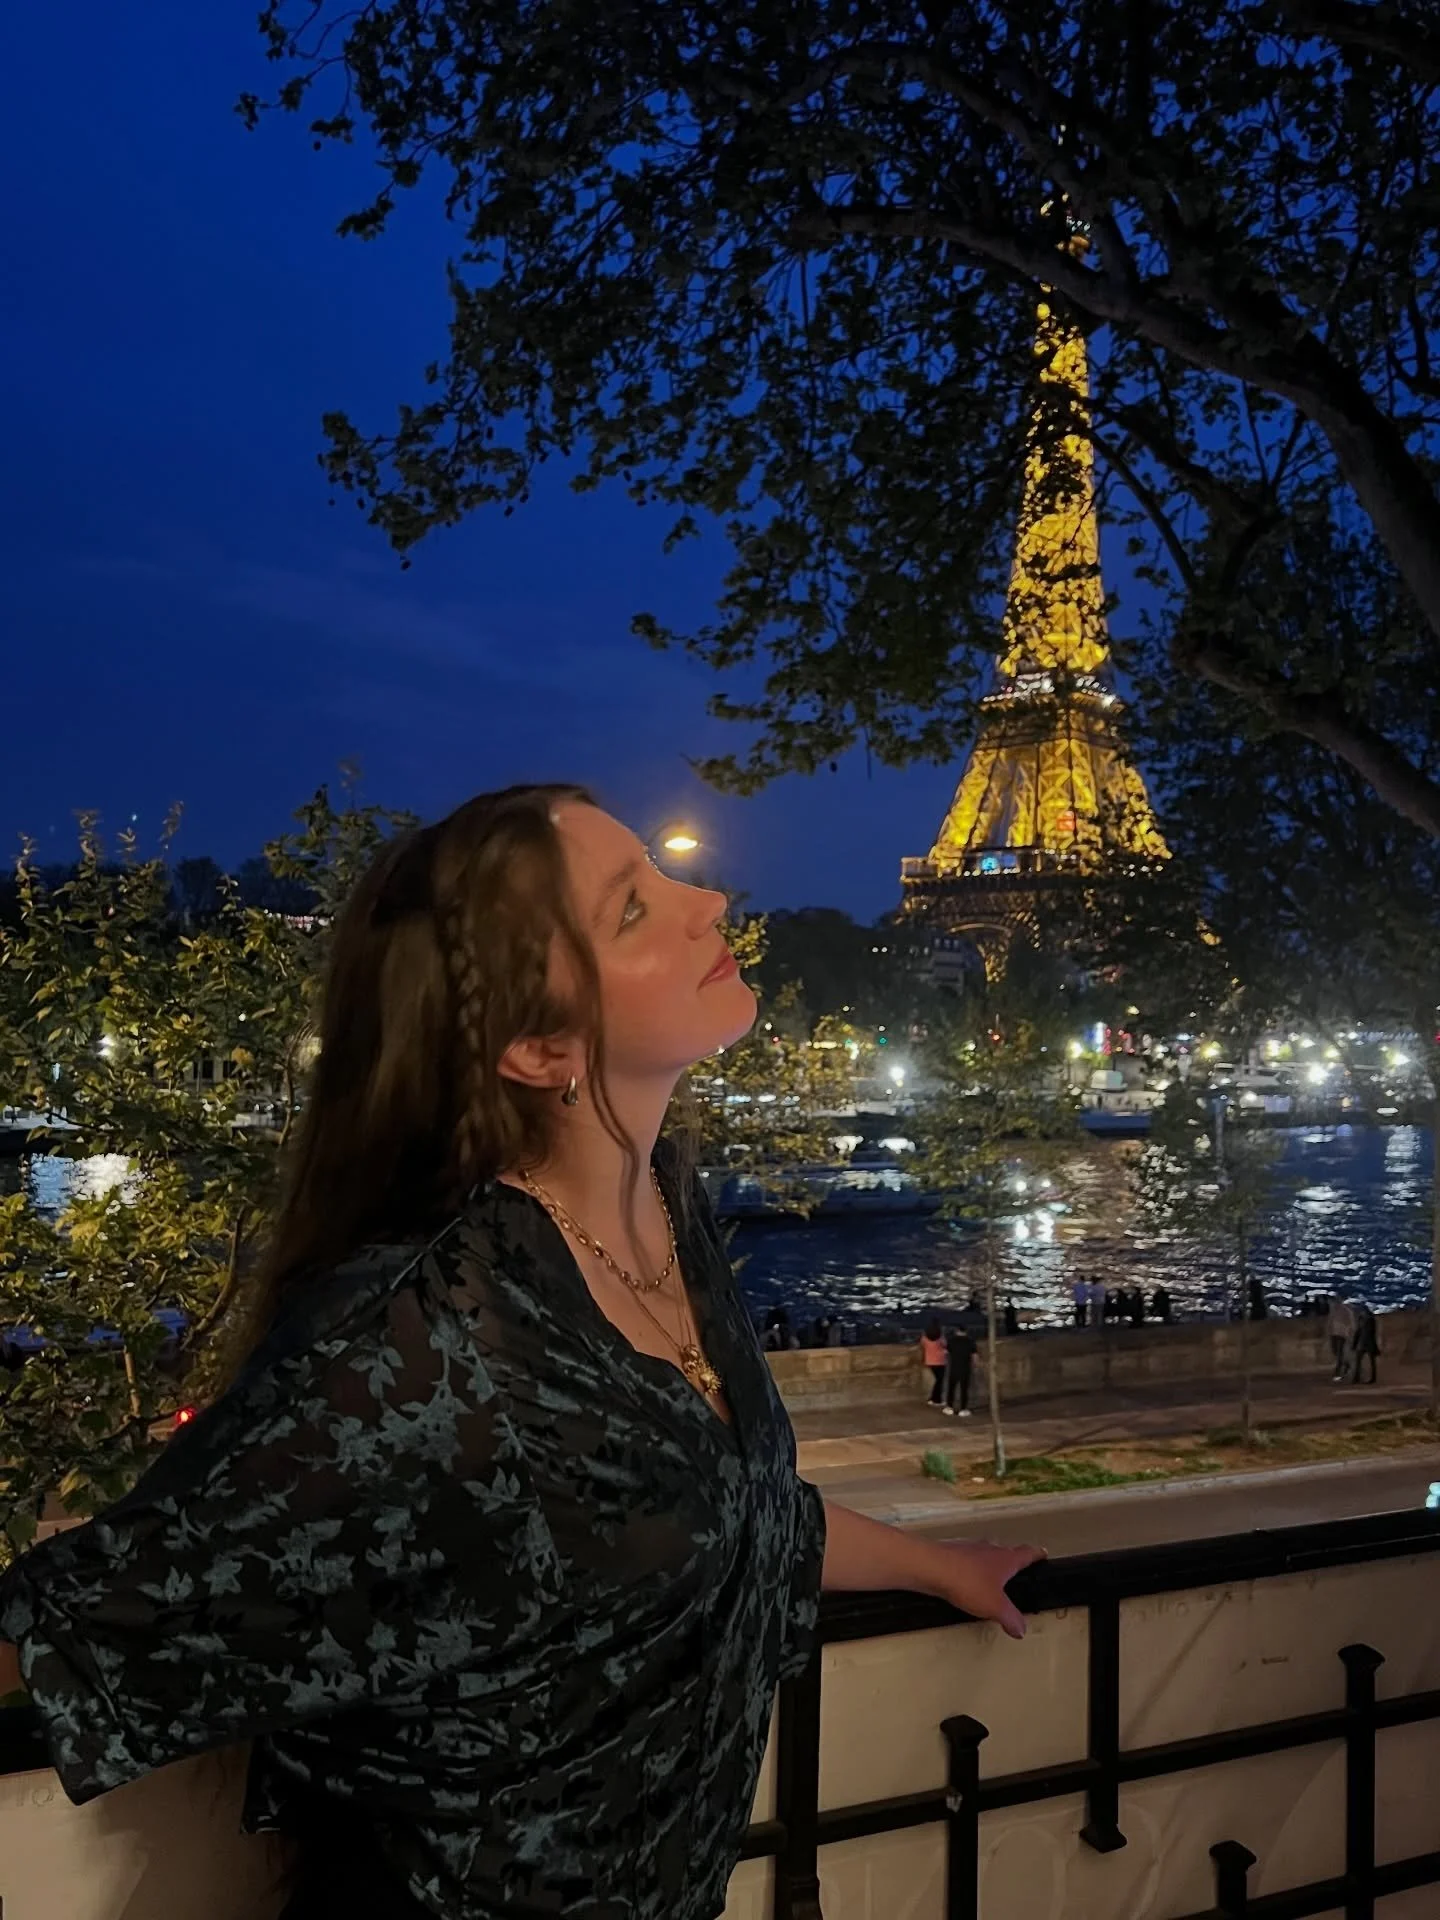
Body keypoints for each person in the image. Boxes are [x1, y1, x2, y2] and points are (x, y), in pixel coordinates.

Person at [0, 786, 1044, 1920]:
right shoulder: (423, 1330)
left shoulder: (666, 1214)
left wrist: (939, 1566)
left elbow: (706, 1507)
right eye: (633, 909)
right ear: (542, 1048)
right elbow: (86, 1621)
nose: (709, 901)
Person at [944, 1322, 977, 1417]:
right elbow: (974, 1355)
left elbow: (946, 1353)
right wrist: (975, 1365)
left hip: (954, 1367)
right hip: (965, 1368)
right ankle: (963, 1409)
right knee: (964, 1389)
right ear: (966, 1331)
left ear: (956, 1331)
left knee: (951, 1388)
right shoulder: (970, 1341)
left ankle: (949, 1407)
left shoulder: (951, 1340)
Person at [920, 1316, 949, 1405]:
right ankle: (936, 1399)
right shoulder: (940, 1337)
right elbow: (945, 1345)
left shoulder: (924, 1338)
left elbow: (922, 1347)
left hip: (929, 1361)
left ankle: (933, 1398)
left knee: (938, 1380)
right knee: (940, 1381)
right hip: (940, 1361)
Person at [1327, 1294, 1356, 1380]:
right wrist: (1329, 1331)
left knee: (1339, 1352)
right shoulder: (1333, 1310)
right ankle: (1346, 1364)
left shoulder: (1346, 1311)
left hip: (1342, 1334)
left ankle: (1338, 1372)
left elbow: (1351, 1323)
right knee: (1335, 1351)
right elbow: (1330, 1321)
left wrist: (1349, 1332)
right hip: (1334, 1334)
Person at [1351, 1303, 1380, 1385]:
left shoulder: (1370, 1319)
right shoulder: (1363, 1318)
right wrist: (1354, 1343)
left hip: (1368, 1342)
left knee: (1370, 1361)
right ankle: (1357, 1377)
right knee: (1359, 1360)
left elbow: (1372, 1333)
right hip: (1363, 1342)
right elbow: (1358, 1331)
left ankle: (1371, 1378)